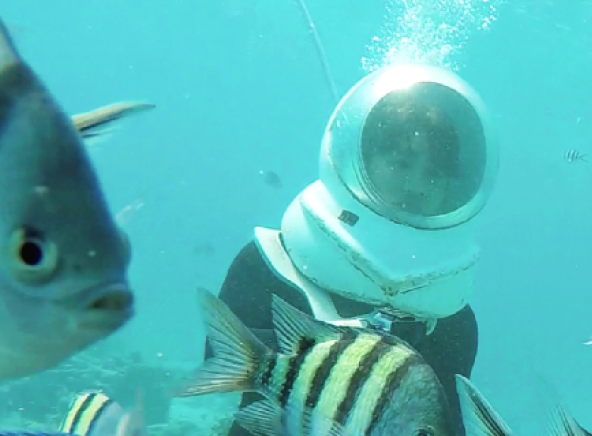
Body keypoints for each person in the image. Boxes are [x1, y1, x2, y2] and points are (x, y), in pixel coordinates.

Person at [205, 62, 498, 436]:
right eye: (401, 162)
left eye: (434, 174)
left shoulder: (454, 320)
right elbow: (221, 358)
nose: (415, 184)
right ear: (362, 158)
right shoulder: (272, 260)